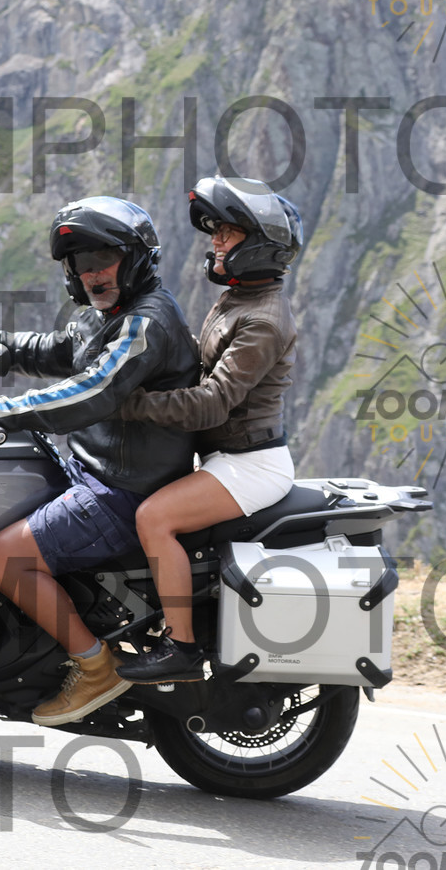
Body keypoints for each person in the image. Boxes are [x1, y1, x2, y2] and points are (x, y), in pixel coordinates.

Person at [0, 196, 198, 725]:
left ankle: (94, 666)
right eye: (81, 263)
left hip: (120, 490)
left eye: (103, 259)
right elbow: (49, 349)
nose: (92, 273)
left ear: (136, 258)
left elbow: (93, 390)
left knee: (6, 557)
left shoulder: (146, 323)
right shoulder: (106, 316)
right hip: (90, 468)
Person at [113, 177, 303, 684]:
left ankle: (180, 647)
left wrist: (126, 406)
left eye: (228, 232)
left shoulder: (263, 320)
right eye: (215, 230)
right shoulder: (240, 299)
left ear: (260, 243)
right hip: (226, 458)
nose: (215, 240)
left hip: (250, 465)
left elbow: (211, 403)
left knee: (155, 518)